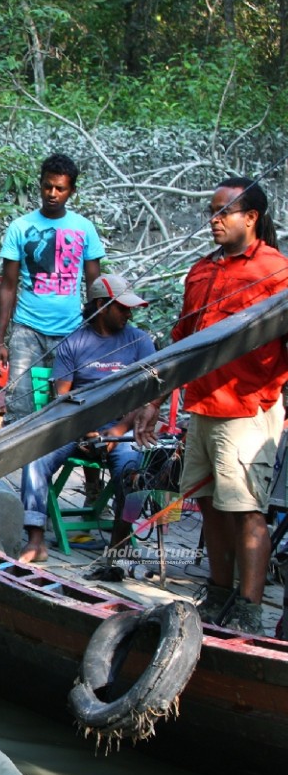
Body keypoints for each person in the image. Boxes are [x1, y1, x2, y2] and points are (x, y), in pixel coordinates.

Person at [135, 178, 288, 634]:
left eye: (223, 212)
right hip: (203, 405)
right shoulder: (202, 270)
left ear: (251, 217)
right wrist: (156, 400)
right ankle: (220, 594)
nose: (214, 220)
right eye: (212, 211)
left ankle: (248, 608)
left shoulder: (276, 271)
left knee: (246, 508)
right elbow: (182, 344)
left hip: (249, 408)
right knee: (210, 506)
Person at [18, 274, 156, 566]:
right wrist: (83, 430)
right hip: (77, 425)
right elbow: (63, 397)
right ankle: (36, 540)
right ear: (101, 306)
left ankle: (119, 542)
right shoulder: (74, 342)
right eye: (122, 307)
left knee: (132, 469)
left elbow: (146, 394)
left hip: (123, 427)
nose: (129, 313)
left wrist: (117, 430)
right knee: (34, 458)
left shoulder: (140, 341)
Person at [0, 153, 106, 423]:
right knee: (19, 408)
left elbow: (95, 287)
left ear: (71, 191)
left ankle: (54, 464)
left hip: (71, 332)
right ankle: (19, 464)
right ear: (40, 185)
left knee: (67, 409)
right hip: (27, 330)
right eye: (47, 186)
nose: (52, 194)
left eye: (60, 188)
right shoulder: (20, 227)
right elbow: (8, 287)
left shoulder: (83, 228)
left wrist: (97, 334)